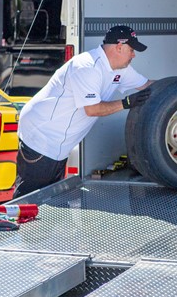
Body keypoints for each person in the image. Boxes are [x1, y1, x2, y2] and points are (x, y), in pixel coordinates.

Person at [14, 25, 152, 197]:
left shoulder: (121, 69)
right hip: (42, 137)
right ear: (119, 47)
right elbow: (92, 109)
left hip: (58, 142)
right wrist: (126, 103)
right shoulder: (86, 66)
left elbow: (147, 85)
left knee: (51, 200)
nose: (133, 55)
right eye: (131, 50)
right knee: (30, 200)